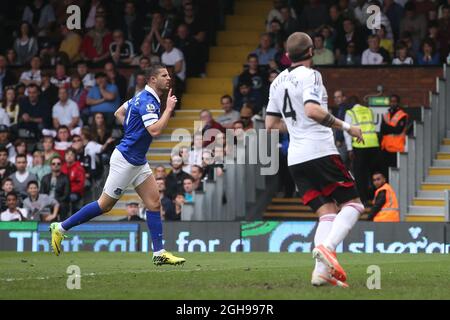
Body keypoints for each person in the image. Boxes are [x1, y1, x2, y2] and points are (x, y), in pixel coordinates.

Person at [49, 63, 185, 266]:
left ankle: (159, 253)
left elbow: (118, 113)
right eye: (164, 75)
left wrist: (133, 131)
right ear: (152, 79)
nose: (169, 78)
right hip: (126, 160)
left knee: (154, 203)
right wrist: (169, 109)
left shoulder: (140, 96)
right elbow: (155, 131)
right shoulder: (148, 100)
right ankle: (60, 228)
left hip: (137, 160)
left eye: (169, 75)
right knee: (104, 205)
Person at [265, 32, 364, 288]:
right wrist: (347, 127)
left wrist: (295, 125)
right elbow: (312, 110)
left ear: (287, 56)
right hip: (320, 150)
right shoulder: (312, 75)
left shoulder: (276, 82)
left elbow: (271, 125)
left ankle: (321, 273)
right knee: (354, 205)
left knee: (327, 213)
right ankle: (328, 248)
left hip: (296, 158)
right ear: (311, 52)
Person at [344, 99, 380, 204]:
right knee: (374, 173)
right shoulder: (369, 110)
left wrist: (349, 148)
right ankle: (375, 197)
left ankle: (363, 199)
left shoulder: (350, 112)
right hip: (373, 144)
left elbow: (347, 131)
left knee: (360, 174)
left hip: (359, 145)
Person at [380, 94, 409, 174]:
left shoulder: (402, 115)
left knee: (395, 172)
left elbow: (397, 130)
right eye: (391, 101)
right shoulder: (386, 114)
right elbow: (382, 129)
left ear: (398, 103)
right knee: (385, 172)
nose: (392, 103)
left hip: (396, 148)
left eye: (394, 102)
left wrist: (387, 126)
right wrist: (390, 128)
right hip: (385, 147)